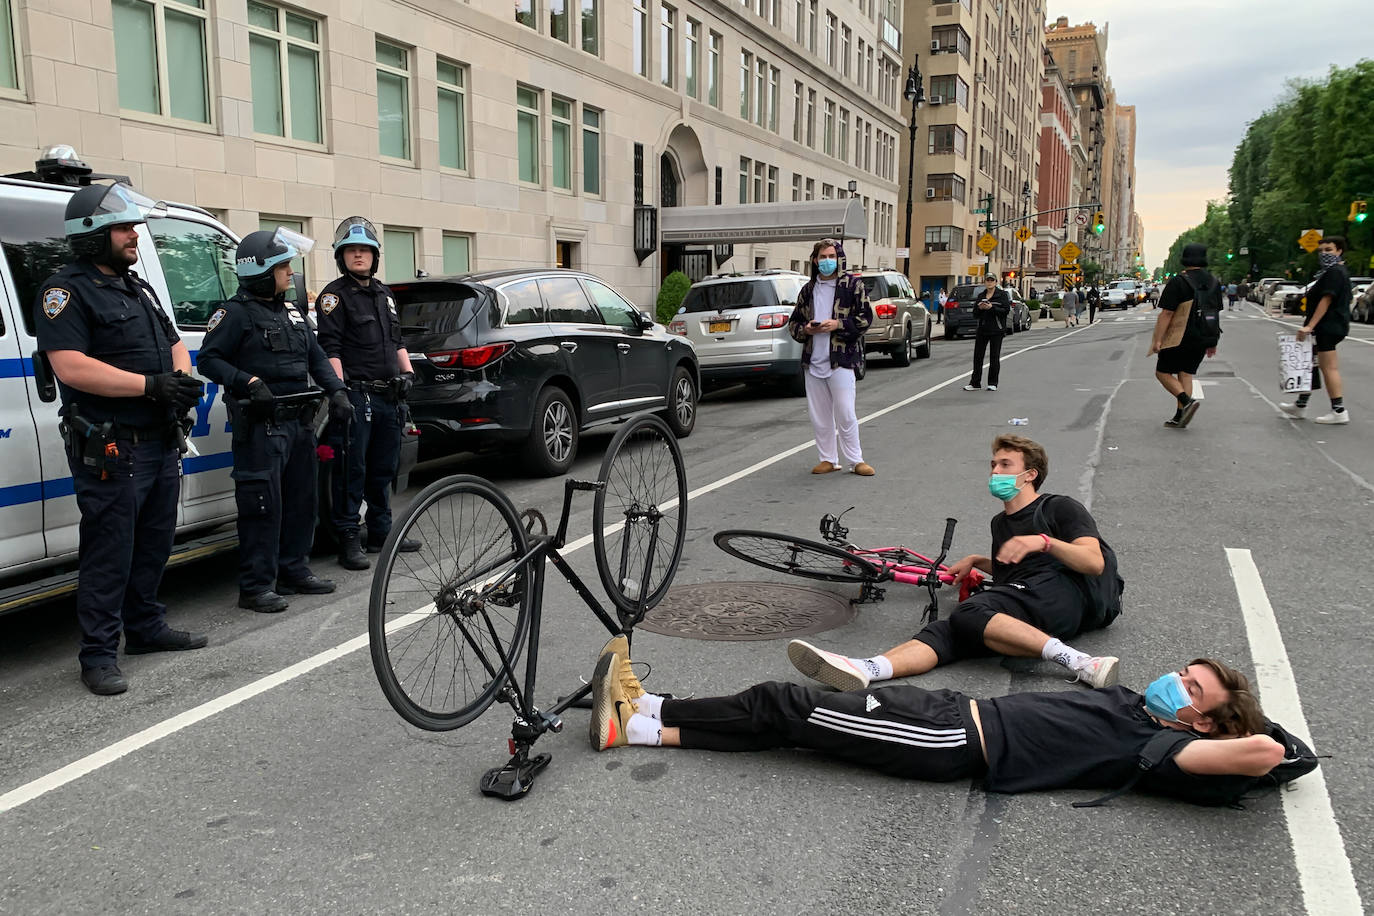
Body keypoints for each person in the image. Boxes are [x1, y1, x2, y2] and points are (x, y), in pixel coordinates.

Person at [589, 645, 1314, 809]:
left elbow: (1271, 753)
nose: (1174, 681)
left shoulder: (1167, 747)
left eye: (1190, 687)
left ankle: (650, 706)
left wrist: (1237, 726)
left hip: (955, 741)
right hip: (945, 712)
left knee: (789, 704)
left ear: (1203, 717)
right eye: (1183, 672)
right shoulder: (1140, 708)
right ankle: (645, 731)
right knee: (795, 725)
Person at [35, 183, 208, 695]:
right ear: (92, 236)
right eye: (124, 228)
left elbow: (175, 342)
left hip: (159, 438)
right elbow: (69, 365)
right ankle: (98, 655)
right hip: (113, 444)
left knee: (154, 542)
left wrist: (179, 383)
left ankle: (146, 628)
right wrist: (149, 385)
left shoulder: (139, 287)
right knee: (110, 549)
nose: (135, 236)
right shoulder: (63, 291)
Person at [788, 435, 1120, 692]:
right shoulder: (1000, 524)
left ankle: (1081, 662)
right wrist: (978, 560)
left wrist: (1044, 541)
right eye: (993, 464)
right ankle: (867, 668)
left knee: (969, 612)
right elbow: (1014, 572)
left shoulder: (1059, 507)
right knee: (948, 631)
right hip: (1033, 596)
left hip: (1072, 594)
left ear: (1030, 474)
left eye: (1005, 465)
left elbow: (1093, 563)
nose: (994, 472)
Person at [197, 229, 352, 613]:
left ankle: (294, 570)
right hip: (262, 426)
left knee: (302, 502)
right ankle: (256, 586)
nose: (290, 273)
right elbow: (209, 360)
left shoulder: (292, 312)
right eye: (283, 267)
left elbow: (316, 357)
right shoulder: (234, 314)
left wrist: (337, 391)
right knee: (263, 507)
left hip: (299, 422)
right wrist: (246, 381)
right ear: (262, 271)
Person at [315, 217, 419, 569]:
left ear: (375, 256)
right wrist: (339, 393)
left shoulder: (384, 294)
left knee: (383, 468)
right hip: (357, 396)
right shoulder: (333, 296)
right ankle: (348, 539)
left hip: (389, 396)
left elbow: (396, 340)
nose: (358, 256)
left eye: (364, 250)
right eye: (351, 251)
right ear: (341, 257)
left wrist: (407, 374)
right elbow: (331, 347)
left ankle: (381, 533)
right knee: (351, 470)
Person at [786, 238, 874, 476]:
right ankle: (828, 458)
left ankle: (856, 460)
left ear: (839, 258)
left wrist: (837, 324)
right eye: (822, 257)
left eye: (831, 257)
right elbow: (793, 323)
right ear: (815, 260)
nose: (827, 261)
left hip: (841, 359)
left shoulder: (852, 286)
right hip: (813, 360)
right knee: (819, 415)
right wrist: (806, 329)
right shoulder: (808, 290)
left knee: (845, 411)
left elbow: (865, 319)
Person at [1279, 236, 1352, 425]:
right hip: (1330, 324)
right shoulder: (1334, 272)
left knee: (1329, 367)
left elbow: (1326, 300)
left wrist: (1310, 325)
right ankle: (1301, 405)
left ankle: (1339, 410)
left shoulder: (1334, 272)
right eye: (1321, 251)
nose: (1324, 254)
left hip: (1328, 325)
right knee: (1309, 364)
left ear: (1339, 251)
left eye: (1329, 250)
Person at [1148, 243, 1220, 429]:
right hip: (1204, 335)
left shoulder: (1179, 281)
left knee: (1162, 372)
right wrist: (1213, 341)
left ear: (1185, 258)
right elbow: (1214, 312)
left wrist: (1158, 339)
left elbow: (1167, 314)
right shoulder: (1213, 281)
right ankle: (1180, 416)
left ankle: (1186, 401)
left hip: (1179, 336)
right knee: (1186, 373)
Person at [962, 273, 1010, 391]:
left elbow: (1005, 311)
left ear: (996, 282)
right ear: (985, 282)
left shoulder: (1002, 295)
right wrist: (980, 308)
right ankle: (975, 383)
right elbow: (975, 314)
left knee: (994, 356)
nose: (989, 282)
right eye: (987, 280)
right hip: (982, 329)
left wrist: (991, 308)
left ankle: (992, 383)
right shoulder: (981, 295)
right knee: (978, 356)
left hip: (996, 330)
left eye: (991, 280)